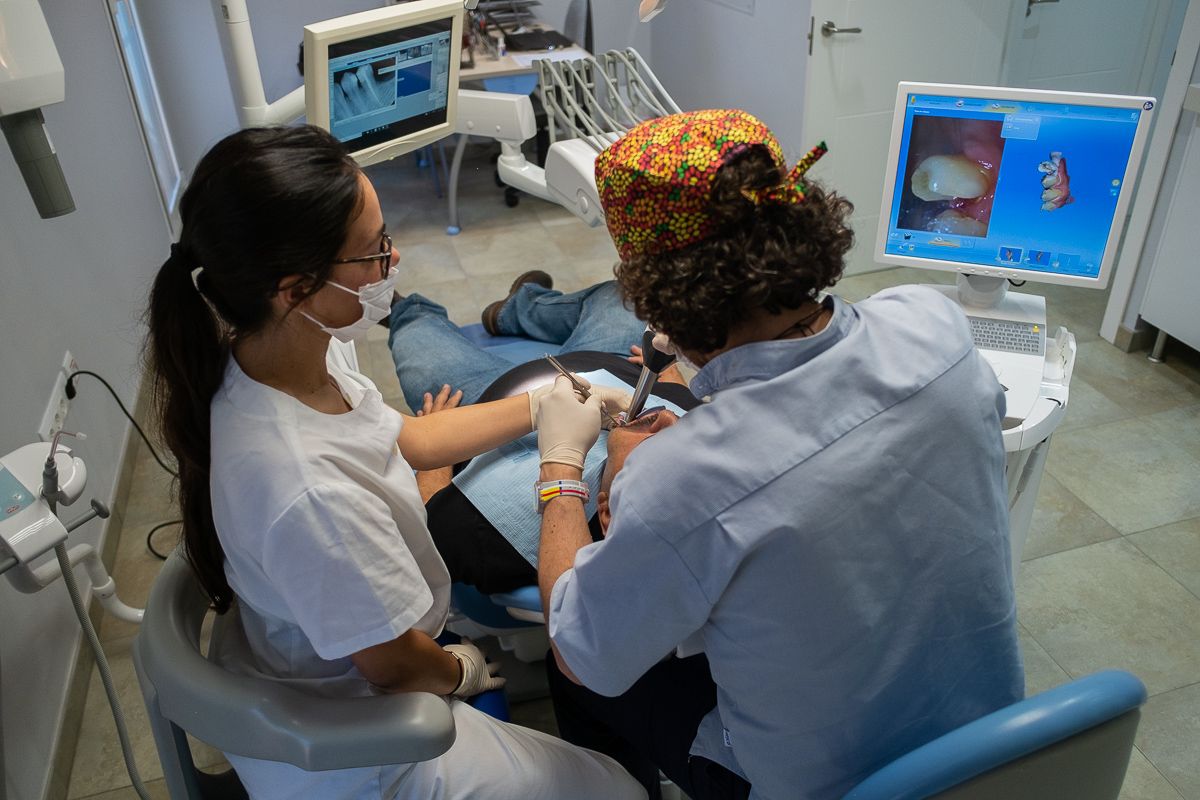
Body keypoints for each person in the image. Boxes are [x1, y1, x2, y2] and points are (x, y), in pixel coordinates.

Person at [530, 109, 1024, 799]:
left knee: (568, 668)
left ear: (662, 300)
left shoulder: (684, 480)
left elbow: (582, 653)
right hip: (993, 751)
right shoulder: (932, 325)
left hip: (816, 787)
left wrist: (560, 471)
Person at [144, 124, 642, 800]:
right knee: (618, 790)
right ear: (295, 287)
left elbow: (400, 437)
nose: (393, 259)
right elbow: (394, 666)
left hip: (328, 664)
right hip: (370, 748)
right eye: (375, 251)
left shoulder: (277, 359)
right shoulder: (304, 488)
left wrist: (541, 409)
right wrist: (458, 669)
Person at [386, 275, 696, 593]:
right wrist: (670, 380)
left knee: (417, 333)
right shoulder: (699, 444)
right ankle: (518, 307)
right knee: (623, 296)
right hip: (619, 366)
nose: (667, 422)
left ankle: (404, 309)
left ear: (606, 511)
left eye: (653, 451)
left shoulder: (486, 540)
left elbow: (429, 527)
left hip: (478, 405)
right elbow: (683, 405)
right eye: (686, 438)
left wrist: (435, 456)